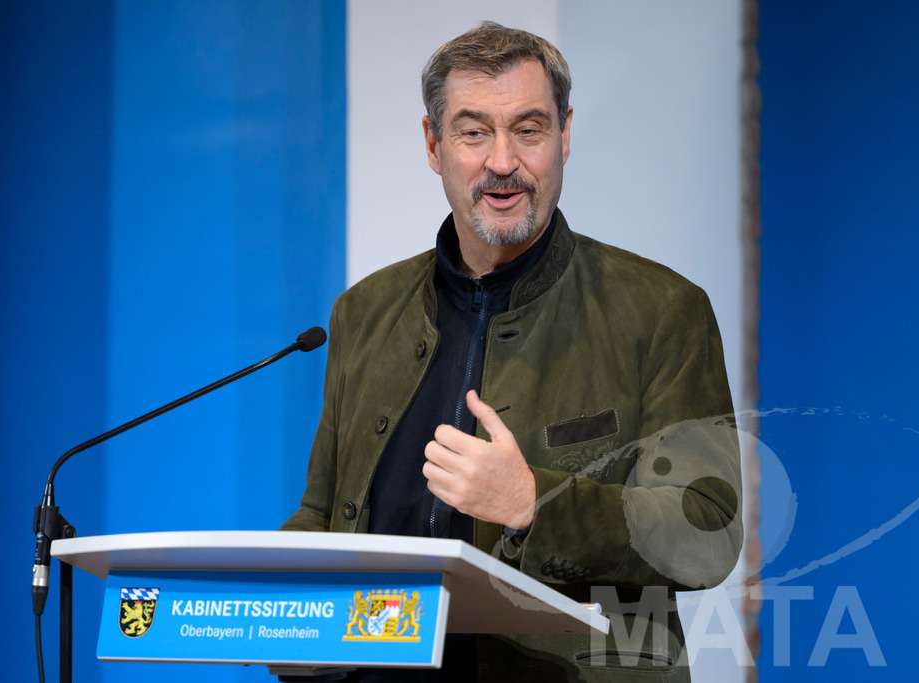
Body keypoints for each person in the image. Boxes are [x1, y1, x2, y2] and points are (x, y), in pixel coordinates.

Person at [283, 21, 742, 682]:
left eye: (528, 129)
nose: (503, 161)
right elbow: (322, 514)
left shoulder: (663, 310)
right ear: (433, 144)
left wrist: (534, 502)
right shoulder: (363, 312)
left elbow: (708, 531)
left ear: (565, 135)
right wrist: (261, 594)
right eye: (473, 131)